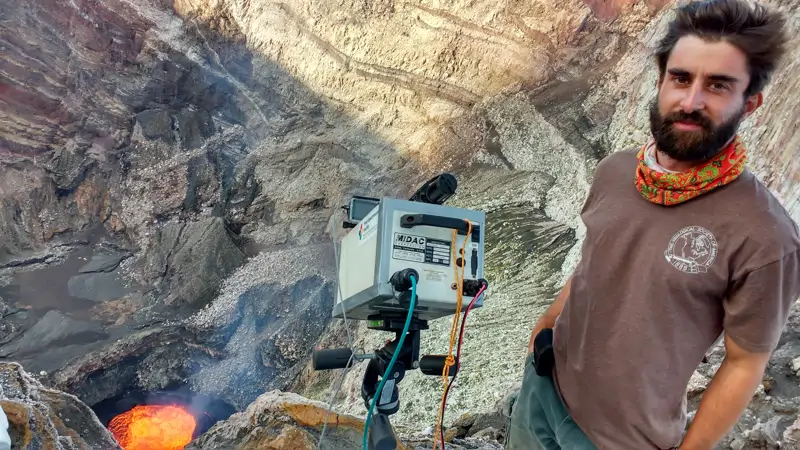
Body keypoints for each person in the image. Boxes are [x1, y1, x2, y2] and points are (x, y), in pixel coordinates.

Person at [505, 0, 800, 449]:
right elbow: (596, 257)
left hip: (621, 440)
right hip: (544, 387)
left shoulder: (767, 238)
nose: (691, 101)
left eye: (718, 85)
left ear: (751, 103)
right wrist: (546, 325)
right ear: (661, 80)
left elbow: (745, 363)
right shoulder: (616, 171)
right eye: (680, 78)